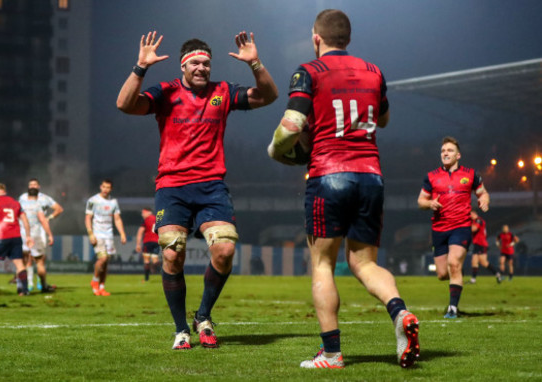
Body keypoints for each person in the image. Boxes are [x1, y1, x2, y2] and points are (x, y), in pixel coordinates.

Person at [267, 9, 419, 369]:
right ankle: (400, 312)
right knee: (364, 263)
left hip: (329, 173)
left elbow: (291, 127)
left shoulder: (308, 71)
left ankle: (332, 354)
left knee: (322, 263)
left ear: (316, 38)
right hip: (371, 175)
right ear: (347, 39)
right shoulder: (374, 71)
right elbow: (382, 118)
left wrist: (275, 150)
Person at [116, 28, 278, 350]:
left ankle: (203, 316)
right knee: (172, 253)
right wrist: (140, 66)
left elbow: (269, 96)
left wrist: (256, 63)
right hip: (173, 186)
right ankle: (180, 330)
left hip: (211, 186)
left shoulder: (223, 92)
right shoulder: (166, 92)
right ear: (183, 67)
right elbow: (124, 104)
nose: (202, 68)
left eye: (207, 63)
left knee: (225, 249)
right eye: (195, 64)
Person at [418, 136, 490, 319]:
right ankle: (457, 273)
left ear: (458, 155)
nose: (445, 153)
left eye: (449, 150)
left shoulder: (470, 174)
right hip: (439, 229)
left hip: (461, 226)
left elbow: (483, 193)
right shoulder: (431, 176)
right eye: (443, 151)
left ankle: (452, 309)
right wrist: (429, 204)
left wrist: (484, 200)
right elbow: (420, 201)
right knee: (443, 274)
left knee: (453, 263)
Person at [85, 179, 126, 296]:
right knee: (102, 259)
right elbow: (88, 218)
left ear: (111, 189)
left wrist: (122, 233)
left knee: (106, 262)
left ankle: (102, 287)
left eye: (108, 187)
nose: (105, 189)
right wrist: (90, 233)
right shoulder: (93, 200)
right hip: (97, 234)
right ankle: (94, 280)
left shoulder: (113, 202)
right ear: (100, 187)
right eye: (104, 187)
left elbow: (117, 219)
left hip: (109, 235)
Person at [18, 178, 59, 292]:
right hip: (35, 233)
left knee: (27, 259)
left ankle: (25, 285)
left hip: (26, 233)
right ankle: (37, 284)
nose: (32, 186)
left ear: (38, 186)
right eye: (31, 184)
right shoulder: (34, 203)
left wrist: (49, 217)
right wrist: (50, 234)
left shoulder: (42, 198)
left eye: (34, 184)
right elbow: (42, 220)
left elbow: (58, 209)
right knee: (36, 260)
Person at [469, 210, 501, 284]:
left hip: (481, 244)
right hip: (477, 244)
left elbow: (474, 229)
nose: (469, 216)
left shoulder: (479, 220)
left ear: (473, 214)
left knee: (483, 262)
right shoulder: (474, 221)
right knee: (474, 261)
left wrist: (465, 228)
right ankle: (473, 280)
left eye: (470, 214)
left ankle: (497, 273)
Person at [136, 207, 159, 282]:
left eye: (143, 213)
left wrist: (138, 244)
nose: (142, 214)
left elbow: (140, 232)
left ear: (148, 212)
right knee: (155, 260)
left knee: (146, 261)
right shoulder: (157, 219)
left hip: (147, 241)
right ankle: (154, 268)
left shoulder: (145, 220)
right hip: (156, 241)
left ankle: (146, 278)